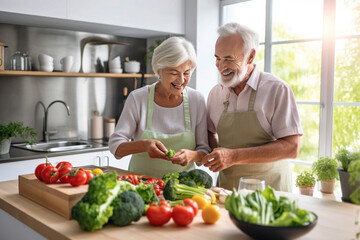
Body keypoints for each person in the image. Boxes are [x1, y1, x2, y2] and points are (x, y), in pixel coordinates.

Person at [201, 23, 303, 192]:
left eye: (228, 59)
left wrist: (233, 156)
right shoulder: (215, 94)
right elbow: (210, 132)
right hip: (227, 192)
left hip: (271, 192)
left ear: (250, 56)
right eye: (217, 58)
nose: (220, 66)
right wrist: (214, 153)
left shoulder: (276, 89)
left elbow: (292, 147)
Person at [109, 37, 210, 179]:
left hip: (183, 188)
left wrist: (192, 155)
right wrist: (144, 145)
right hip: (141, 185)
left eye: (186, 73)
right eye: (174, 73)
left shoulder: (197, 100)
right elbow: (116, 146)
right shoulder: (138, 98)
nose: (181, 80)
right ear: (159, 69)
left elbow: (204, 150)